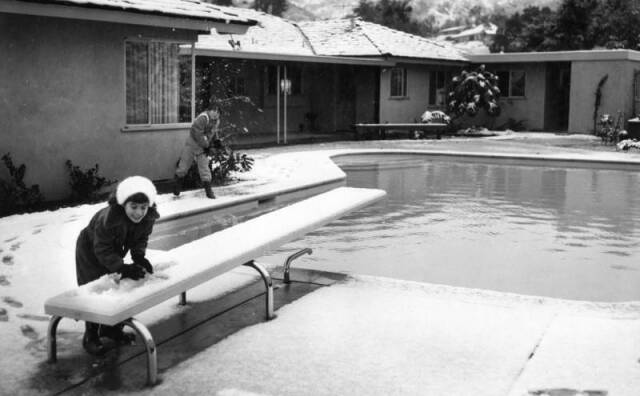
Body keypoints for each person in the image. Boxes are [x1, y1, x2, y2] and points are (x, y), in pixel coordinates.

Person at [75, 175, 160, 355]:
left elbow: (141, 237)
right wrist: (121, 267)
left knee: (117, 286)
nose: (139, 213)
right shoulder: (108, 219)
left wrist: (138, 255)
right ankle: (91, 335)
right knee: (95, 288)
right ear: (123, 204)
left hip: (111, 251)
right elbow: (102, 249)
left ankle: (112, 330)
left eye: (143, 207)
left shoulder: (147, 218)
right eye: (133, 207)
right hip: (90, 251)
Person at [172, 106, 221, 199]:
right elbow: (197, 133)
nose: (215, 114)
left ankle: (208, 191)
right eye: (214, 111)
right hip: (192, 144)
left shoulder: (216, 121)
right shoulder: (203, 118)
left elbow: (213, 132)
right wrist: (206, 145)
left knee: (204, 168)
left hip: (203, 147)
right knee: (183, 166)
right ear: (209, 110)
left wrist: (216, 140)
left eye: (218, 112)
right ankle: (176, 186)